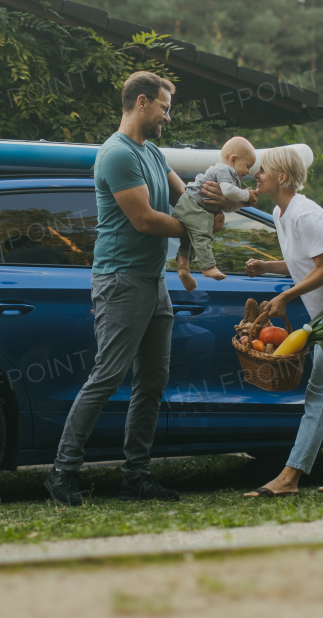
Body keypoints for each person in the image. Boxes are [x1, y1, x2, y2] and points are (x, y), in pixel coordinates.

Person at [45, 71, 226, 506]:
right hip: (120, 280)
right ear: (142, 103)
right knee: (107, 376)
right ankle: (62, 472)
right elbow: (144, 219)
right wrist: (198, 226)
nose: (167, 116)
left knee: (152, 381)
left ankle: (136, 476)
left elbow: (189, 202)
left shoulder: (154, 153)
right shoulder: (116, 155)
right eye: (164, 107)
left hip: (152, 281)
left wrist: (215, 203)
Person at [241, 146, 323, 497]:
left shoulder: (305, 215)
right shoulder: (281, 213)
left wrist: (286, 296)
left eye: (264, 170)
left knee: (320, 392)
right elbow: (304, 261)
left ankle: (290, 476)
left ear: (282, 177)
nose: (258, 174)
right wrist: (266, 266)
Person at [173, 136, 258, 290]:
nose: (248, 171)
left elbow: (227, 206)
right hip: (194, 205)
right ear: (233, 160)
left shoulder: (229, 174)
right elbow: (228, 191)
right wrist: (246, 194)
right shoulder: (225, 170)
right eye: (247, 166)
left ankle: (183, 268)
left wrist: (242, 203)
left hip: (191, 205)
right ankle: (208, 267)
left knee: (189, 240)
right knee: (203, 234)